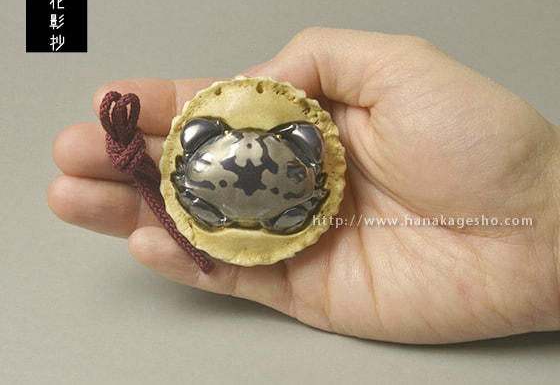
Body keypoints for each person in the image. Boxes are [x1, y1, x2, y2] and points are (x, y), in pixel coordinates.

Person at [47, 27, 560, 344]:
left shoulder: (292, 151)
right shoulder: (261, 149)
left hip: (269, 207)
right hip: (246, 207)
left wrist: (544, 197)